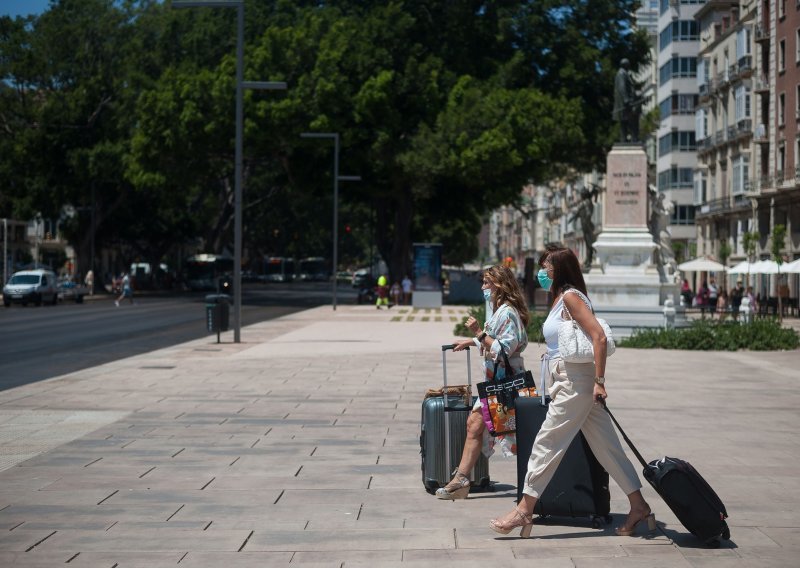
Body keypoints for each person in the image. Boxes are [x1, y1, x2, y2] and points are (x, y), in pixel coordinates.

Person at [489, 244, 652, 538]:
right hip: (569, 379)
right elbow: (564, 342)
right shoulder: (559, 299)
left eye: (546, 266)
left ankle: (524, 509)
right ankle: (638, 505)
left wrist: (600, 381)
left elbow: (598, 337)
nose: (542, 271)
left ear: (560, 268)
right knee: (608, 449)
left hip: (576, 382)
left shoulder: (571, 297)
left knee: (546, 442)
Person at [435, 265, 530, 499]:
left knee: (515, 431)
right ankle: (461, 480)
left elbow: (504, 349)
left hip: (505, 384)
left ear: (499, 285)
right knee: (476, 425)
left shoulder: (508, 312)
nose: (483, 287)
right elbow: (492, 340)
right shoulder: (500, 311)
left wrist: (478, 332)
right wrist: (471, 341)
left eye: (487, 283)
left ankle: (463, 480)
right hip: (497, 382)